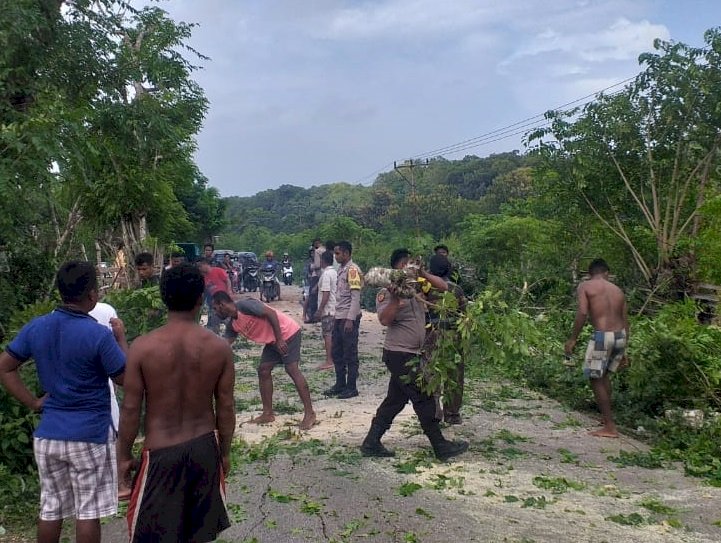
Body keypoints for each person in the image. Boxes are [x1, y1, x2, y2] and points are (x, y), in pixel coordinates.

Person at [0, 261, 127, 543]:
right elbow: (124, 379)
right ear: (92, 295)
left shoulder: (37, 327)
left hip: (48, 435)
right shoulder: (98, 334)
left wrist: (33, 402)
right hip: (89, 435)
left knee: (51, 508)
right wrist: (121, 339)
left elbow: (5, 367)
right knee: (87, 511)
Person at [118, 264, 235, 542]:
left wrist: (123, 455)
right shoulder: (219, 348)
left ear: (163, 298)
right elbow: (226, 407)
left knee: (152, 535)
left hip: (160, 452)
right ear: (200, 299)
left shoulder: (143, 347)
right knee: (198, 535)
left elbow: (131, 408)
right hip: (204, 448)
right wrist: (225, 453)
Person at [360, 249, 468, 461]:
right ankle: (440, 445)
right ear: (398, 267)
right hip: (399, 354)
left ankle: (371, 442)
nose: (412, 266)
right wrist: (396, 301)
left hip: (413, 353)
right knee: (423, 398)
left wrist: (424, 274)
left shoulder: (418, 286)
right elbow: (384, 320)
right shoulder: (388, 291)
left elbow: (447, 288)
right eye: (408, 263)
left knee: (395, 400)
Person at [212, 291, 316, 431]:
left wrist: (279, 339)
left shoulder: (244, 305)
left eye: (215, 308)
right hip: (273, 341)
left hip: (287, 333)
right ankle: (268, 413)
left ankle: (310, 414)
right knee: (263, 370)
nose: (215, 312)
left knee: (292, 369)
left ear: (222, 304)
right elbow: (225, 344)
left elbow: (271, 314)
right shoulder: (233, 324)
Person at [565, 258, 629, 438]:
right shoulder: (617, 290)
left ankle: (610, 426)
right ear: (606, 272)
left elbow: (583, 312)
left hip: (602, 335)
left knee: (595, 378)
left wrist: (573, 339)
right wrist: (625, 349)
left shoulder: (586, 286)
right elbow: (625, 320)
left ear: (590, 273)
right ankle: (606, 418)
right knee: (604, 376)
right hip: (620, 336)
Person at [423, 254, 466, 424]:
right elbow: (465, 316)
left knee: (431, 374)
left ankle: (434, 413)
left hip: (431, 336)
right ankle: (452, 414)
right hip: (453, 338)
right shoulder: (456, 289)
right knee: (454, 375)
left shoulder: (425, 288)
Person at [324, 241, 363, 399]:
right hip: (339, 316)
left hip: (348, 317)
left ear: (346, 254)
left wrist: (350, 319)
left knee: (350, 353)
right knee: (337, 351)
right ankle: (340, 384)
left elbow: (355, 296)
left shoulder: (352, 270)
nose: (335, 256)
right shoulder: (341, 269)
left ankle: (351, 386)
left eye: (338, 253)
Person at [313, 250, 338, 370]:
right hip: (334, 308)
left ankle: (329, 360)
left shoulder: (327, 274)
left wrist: (320, 310)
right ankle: (334, 358)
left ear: (322, 261)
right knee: (333, 335)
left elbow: (326, 293)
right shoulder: (334, 272)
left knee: (327, 335)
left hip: (328, 309)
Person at [198, 258, 232, 334]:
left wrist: (229, 291)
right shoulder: (204, 277)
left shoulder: (218, 270)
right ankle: (217, 338)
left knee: (228, 320)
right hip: (213, 302)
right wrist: (201, 303)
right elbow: (205, 291)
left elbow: (227, 280)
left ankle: (230, 335)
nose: (200, 269)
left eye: (200, 266)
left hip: (223, 299)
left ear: (205, 264)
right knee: (214, 322)